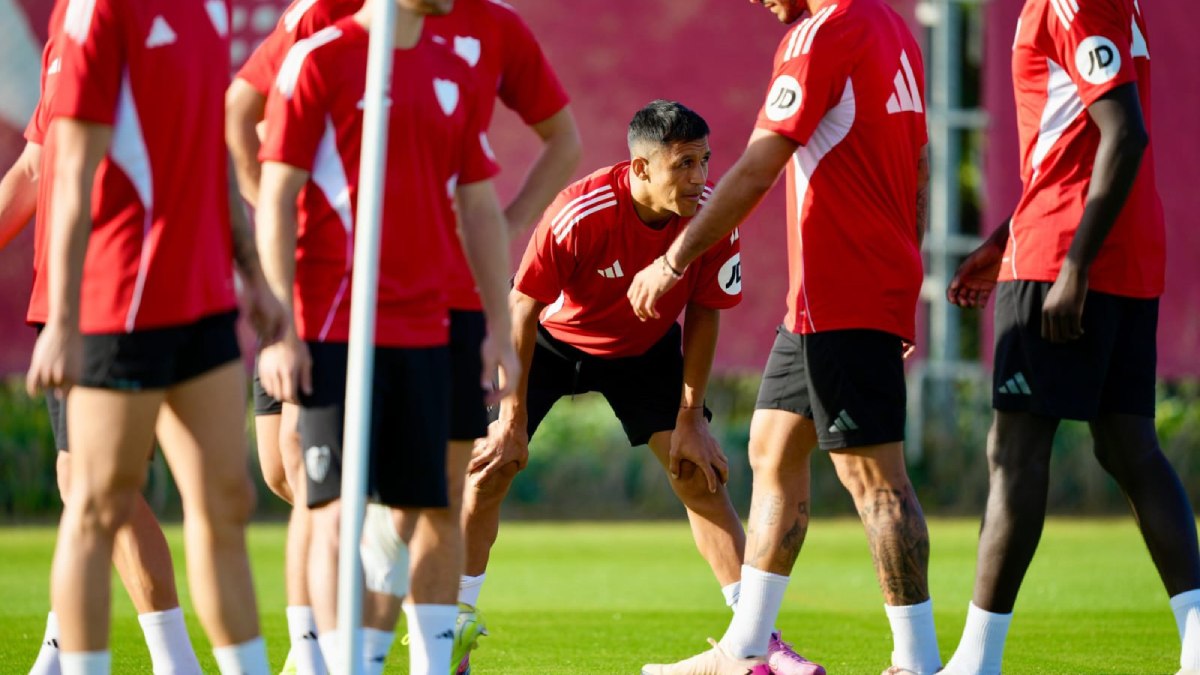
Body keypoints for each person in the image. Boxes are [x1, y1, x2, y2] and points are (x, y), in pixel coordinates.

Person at [227, 0, 579, 667]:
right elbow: (275, 194)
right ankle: (332, 659)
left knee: (429, 506)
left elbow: (477, 201)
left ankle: (424, 660)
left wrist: (499, 329)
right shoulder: (318, 54)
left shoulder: (450, 65)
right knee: (328, 504)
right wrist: (280, 324)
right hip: (334, 326)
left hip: (430, 327)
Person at [628, 0, 938, 673]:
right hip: (837, 293)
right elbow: (921, 162)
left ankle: (918, 662)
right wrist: (903, 274)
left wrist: (672, 259)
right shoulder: (891, 27)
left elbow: (758, 165)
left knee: (875, 480)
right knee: (771, 448)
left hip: (845, 286)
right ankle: (746, 652)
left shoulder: (821, 34)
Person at [462, 98, 811, 675]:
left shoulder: (711, 212)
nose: (699, 178)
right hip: (550, 344)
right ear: (641, 169)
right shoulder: (582, 210)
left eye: (704, 161)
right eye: (683, 165)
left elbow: (705, 309)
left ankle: (758, 643)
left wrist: (691, 416)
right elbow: (522, 305)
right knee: (489, 471)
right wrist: (512, 420)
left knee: (698, 474)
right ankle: (453, 633)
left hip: (645, 349)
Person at [24, 0, 287, 672]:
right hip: (120, 306)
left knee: (226, 501)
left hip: (202, 298)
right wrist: (63, 318)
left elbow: (211, 145)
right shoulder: (96, 11)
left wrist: (249, 268)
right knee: (96, 506)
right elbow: (71, 173)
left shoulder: (210, 8)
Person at [940, 1, 1200, 673]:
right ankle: (1198, 640)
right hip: (1121, 249)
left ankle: (977, 660)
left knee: (1015, 451)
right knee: (1128, 446)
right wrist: (1003, 238)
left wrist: (1073, 266)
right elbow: (1071, 142)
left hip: (1069, 256)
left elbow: (1124, 133)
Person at [1, 3, 201, 673]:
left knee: (92, 480)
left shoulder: (139, 21)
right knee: (84, 483)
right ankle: (63, 654)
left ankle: (173, 661)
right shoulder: (66, 22)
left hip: (115, 291)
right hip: (62, 296)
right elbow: (36, 168)